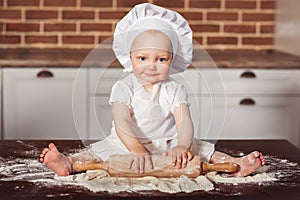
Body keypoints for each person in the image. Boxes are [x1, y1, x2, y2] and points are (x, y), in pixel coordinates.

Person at [40, 3, 265, 177]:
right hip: (128, 143)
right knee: (97, 152)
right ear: (130, 58)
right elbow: (122, 122)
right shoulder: (123, 87)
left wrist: (181, 146)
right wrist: (136, 149)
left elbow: (184, 122)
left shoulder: (174, 88)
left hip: (168, 144)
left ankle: (237, 164)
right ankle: (67, 162)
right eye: (142, 58)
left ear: (172, 60)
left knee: (205, 150)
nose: (151, 65)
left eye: (161, 58)